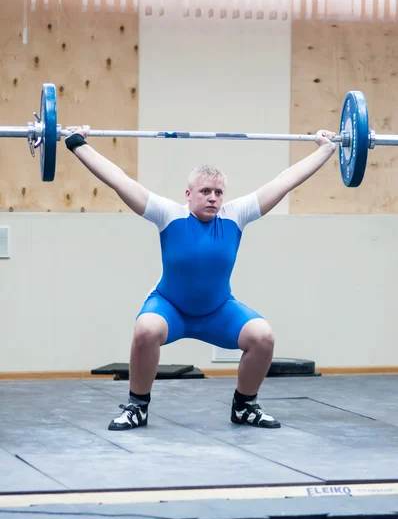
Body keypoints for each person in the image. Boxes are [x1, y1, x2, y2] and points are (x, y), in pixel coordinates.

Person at [65, 127, 336, 431]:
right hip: (170, 308)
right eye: (205, 191)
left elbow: (284, 182)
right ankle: (137, 407)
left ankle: (245, 406)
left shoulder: (236, 215)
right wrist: (79, 145)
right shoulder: (168, 214)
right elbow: (119, 181)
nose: (213, 198)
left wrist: (325, 150)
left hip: (218, 311)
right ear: (188, 194)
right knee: (145, 330)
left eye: (218, 192)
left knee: (263, 337)